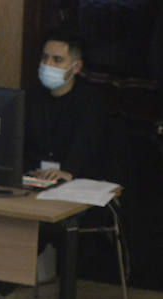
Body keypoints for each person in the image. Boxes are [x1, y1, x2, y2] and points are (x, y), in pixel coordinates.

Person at [25, 29, 106, 185]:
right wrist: (27, 169)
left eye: (57, 60)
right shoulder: (31, 96)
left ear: (76, 67)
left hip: (75, 182)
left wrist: (69, 171)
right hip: (35, 178)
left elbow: (86, 146)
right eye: (44, 58)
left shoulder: (90, 101)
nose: (47, 65)